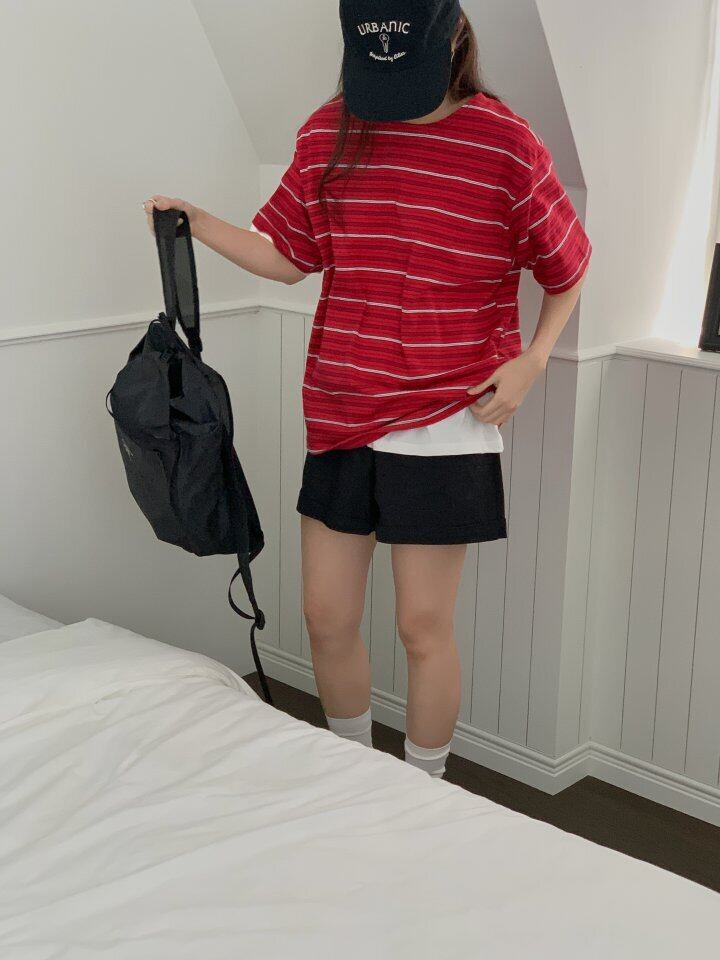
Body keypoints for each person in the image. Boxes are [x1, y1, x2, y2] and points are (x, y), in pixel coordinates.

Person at [143, 0, 591, 780]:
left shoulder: (505, 143)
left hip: (449, 416)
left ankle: (424, 791)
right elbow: (290, 258)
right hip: (343, 406)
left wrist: (534, 360)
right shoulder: (330, 131)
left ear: (453, 37)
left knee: (422, 627)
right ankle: (354, 782)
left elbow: (569, 264)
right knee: (325, 618)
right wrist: (199, 221)